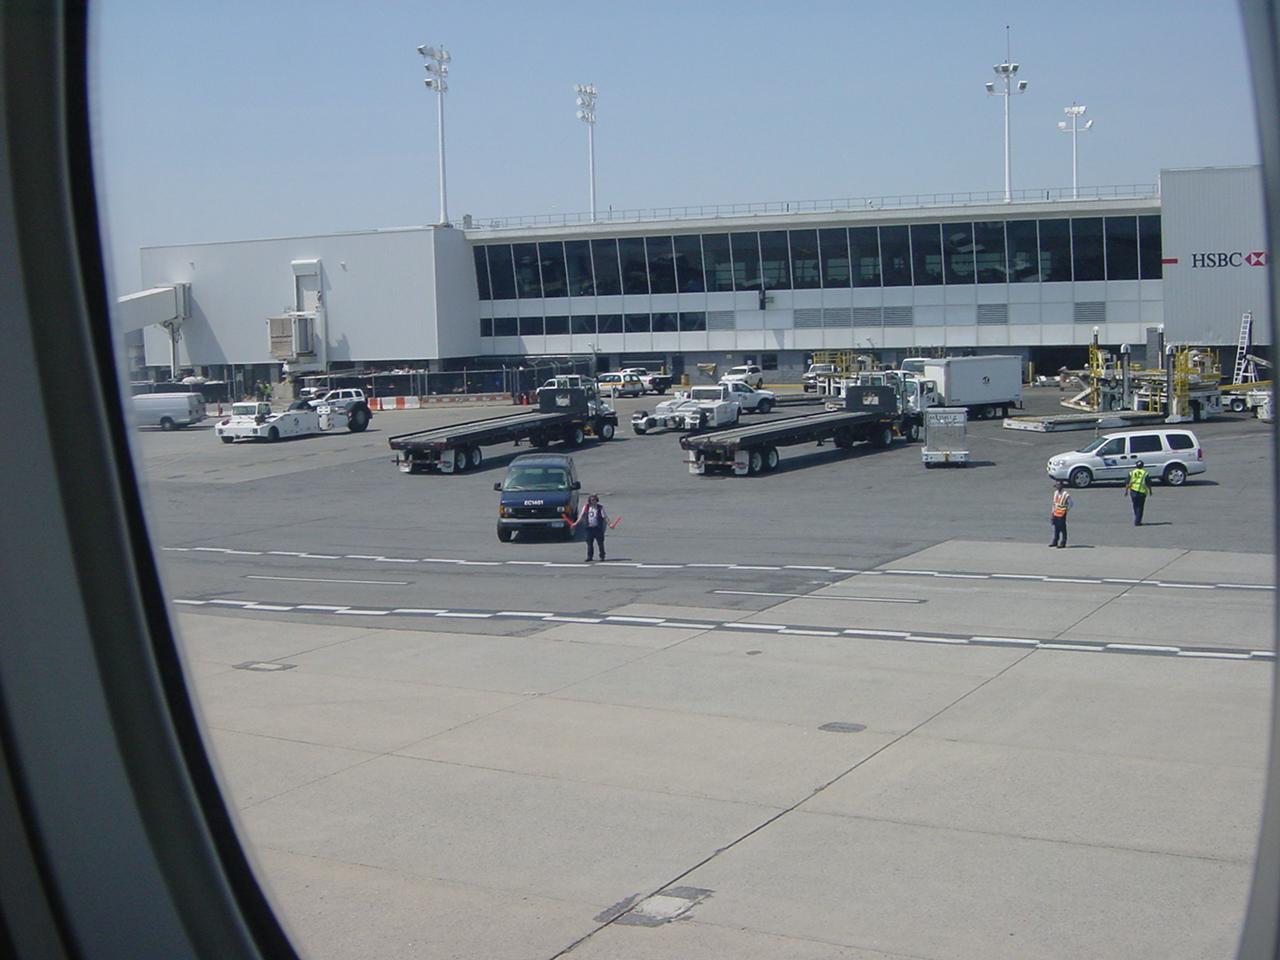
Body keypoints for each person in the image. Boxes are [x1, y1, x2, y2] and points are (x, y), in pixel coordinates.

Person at [570, 494, 608, 562]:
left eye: (595, 500)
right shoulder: (586, 507)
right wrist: (575, 523)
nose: (593, 501)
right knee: (589, 544)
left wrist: (610, 524)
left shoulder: (600, 508)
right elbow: (581, 516)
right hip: (589, 528)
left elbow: (605, 517)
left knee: (600, 543)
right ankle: (589, 556)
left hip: (597, 528)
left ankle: (602, 556)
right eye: (592, 500)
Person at [1124, 460, 1152, 526]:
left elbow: (1127, 482)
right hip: (1141, 492)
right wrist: (1150, 490)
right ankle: (1137, 521)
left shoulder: (1132, 472)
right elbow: (1148, 483)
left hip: (1133, 491)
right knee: (1140, 507)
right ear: (1142, 466)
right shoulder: (1145, 473)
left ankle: (1137, 517)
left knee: (1135, 505)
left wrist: (1126, 491)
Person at [1049, 480, 1072, 548]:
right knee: (1056, 527)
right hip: (1056, 513)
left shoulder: (1065, 494)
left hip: (1062, 513)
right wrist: (1052, 513)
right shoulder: (1055, 493)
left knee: (1062, 528)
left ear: (1062, 486)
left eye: (1059, 485)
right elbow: (1054, 504)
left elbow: (1071, 503)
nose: (1057, 487)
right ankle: (1055, 541)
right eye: (1057, 485)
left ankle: (1063, 542)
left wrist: (1066, 510)